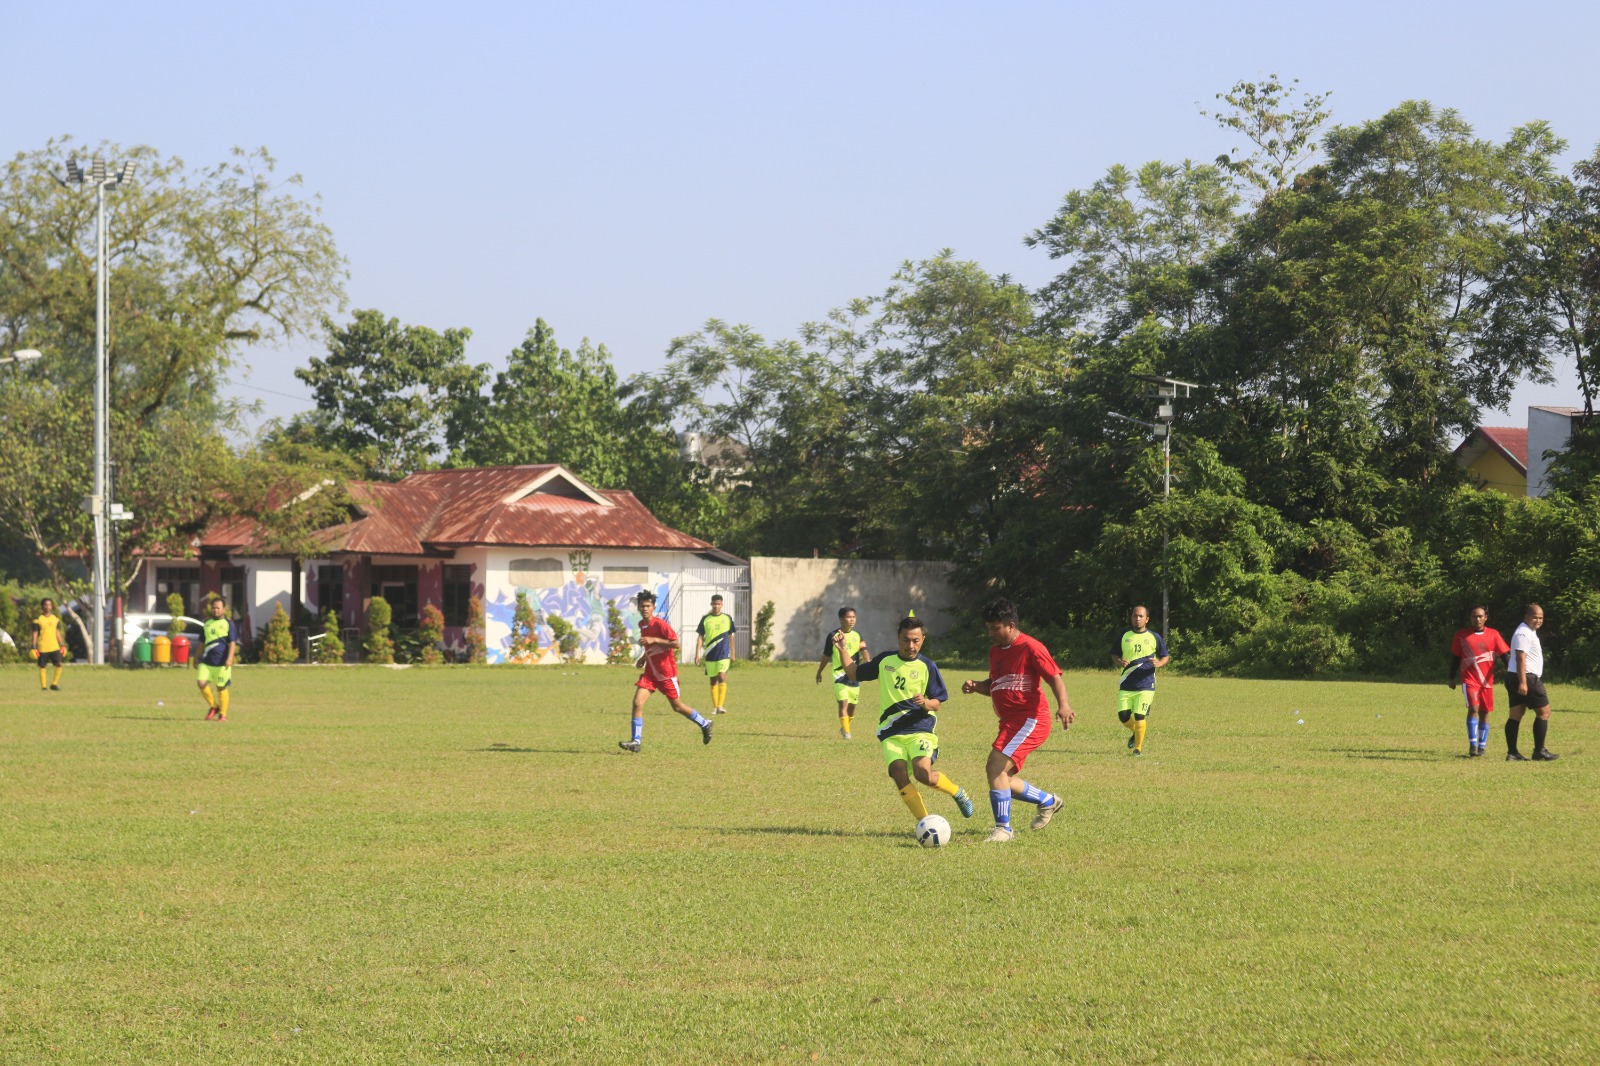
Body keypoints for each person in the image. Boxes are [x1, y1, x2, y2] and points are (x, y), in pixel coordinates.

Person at [837, 615, 974, 826]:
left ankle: (957, 792)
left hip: (920, 729)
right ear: (898, 638)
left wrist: (925, 703)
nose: (910, 645)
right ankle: (925, 823)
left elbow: (938, 701)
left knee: (923, 774)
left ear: (923, 640)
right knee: (898, 773)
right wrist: (842, 649)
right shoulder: (885, 661)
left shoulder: (927, 666)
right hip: (890, 732)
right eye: (906, 640)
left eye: (915, 640)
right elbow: (854, 673)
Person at [961, 598, 1075, 843]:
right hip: (1010, 722)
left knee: (994, 767)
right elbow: (997, 685)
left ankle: (1004, 829)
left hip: (1031, 719)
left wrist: (1063, 705)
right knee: (1002, 777)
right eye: (988, 628)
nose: (990, 633)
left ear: (1010, 625)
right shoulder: (995, 651)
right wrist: (976, 686)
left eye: (995, 628)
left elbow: (1054, 677)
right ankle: (1048, 801)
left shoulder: (1031, 647)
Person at [618, 590, 713, 753]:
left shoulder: (660, 624)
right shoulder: (642, 625)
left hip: (666, 674)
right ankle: (636, 741)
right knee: (637, 702)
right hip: (650, 674)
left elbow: (676, 644)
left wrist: (655, 639)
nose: (645, 609)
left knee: (677, 707)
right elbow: (651, 647)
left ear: (653, 607)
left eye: (648, 606)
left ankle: (705, 723)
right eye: (642, 606)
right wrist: (644, 657)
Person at [1449, 605, 1509, 758]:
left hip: (1486, 682)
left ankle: (1482, 747)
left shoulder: (1494, 635)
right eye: (1475, 616)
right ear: (1471, 618)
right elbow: (1455, 658)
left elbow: (1504, 655)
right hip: (1469, 679)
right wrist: (1451, 677)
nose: (1477, 619)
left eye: (1480, 616)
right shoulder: (1462, 636)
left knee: (1484, 712)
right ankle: (1473, 745)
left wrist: (1512, 672)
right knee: (1474, 708)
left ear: (1486, 618)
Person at [1504, 604, 1558, 762]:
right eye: (1535, 617)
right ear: (1526, 616)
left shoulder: (1528, 631)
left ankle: (1513, 753)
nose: (1538, 620)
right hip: (1526, 677)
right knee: (1544, 712)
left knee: (1516, 714)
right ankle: (1539, 751)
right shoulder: (1524, 633)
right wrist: (1523, 683)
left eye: (1541, 618)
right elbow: (1521, 658)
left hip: (1515, 676)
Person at [1114, 605, 1169, 756]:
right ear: (1131, 618)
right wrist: (1119, 662)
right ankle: (1136, 731)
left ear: (1147, 619)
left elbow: (1165, 655)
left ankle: (1138, 749)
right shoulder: (1124, 636)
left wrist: (1160, 663)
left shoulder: (1154, 637)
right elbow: (1114, 654)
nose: (1137, 619)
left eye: (1140, 616)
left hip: (1146, 684)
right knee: (1123, 716)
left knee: (1139, 715)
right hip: (1126, 683)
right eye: (1134, 616)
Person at [816, 607, 870, 739]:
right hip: (839, 675)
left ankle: (845, 726)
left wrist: (869, 662)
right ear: (841, 619)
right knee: (843, 703)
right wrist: (819, 672)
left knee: (852, 707)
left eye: (854, 617)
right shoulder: (833, 636)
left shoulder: (858, 635)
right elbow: (826, 656)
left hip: (854, 674)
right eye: (848, 617)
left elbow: (864, 650)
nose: (852, 620)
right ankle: (846, 733)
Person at [196, 596, 241, 721]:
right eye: (213, 608)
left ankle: (223, 714)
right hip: (206, 661)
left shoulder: (228, 624)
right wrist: (196, 657)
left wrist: (230, 658)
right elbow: (201, 641)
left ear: (224, 609)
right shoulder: (207, 623)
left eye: (218, 608)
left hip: (222, 662)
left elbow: (232, 642)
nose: (215, 610)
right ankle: (213, 706)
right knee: (201, 682)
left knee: (221, 687)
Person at [693, 594, 735, 715]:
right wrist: (697, 654)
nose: (716, 606)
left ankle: (721, 705)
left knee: (721, 676)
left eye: (718, 604)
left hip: (724, 652)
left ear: (722, 605)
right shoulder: (706, 619)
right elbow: (700, 637)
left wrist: (733, 653)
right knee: (713, 680)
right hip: (710, 653)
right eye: (714, 604)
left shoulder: (727, 618)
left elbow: (731, 636)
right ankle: (715, 706)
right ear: (711, 604)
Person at [30, 597, 66, 691]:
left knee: (59, 665)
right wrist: (33, 646)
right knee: (43, 666)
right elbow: (35, 633)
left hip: (54, 646)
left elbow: (57, 632)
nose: (47, 606)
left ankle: (54, 684)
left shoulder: (55, 619)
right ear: (42, 606)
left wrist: (62, 644)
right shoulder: (38, 619)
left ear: (52, 606)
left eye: (49, 604)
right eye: (46, 605)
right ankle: (44, 687)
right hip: (42, 646)